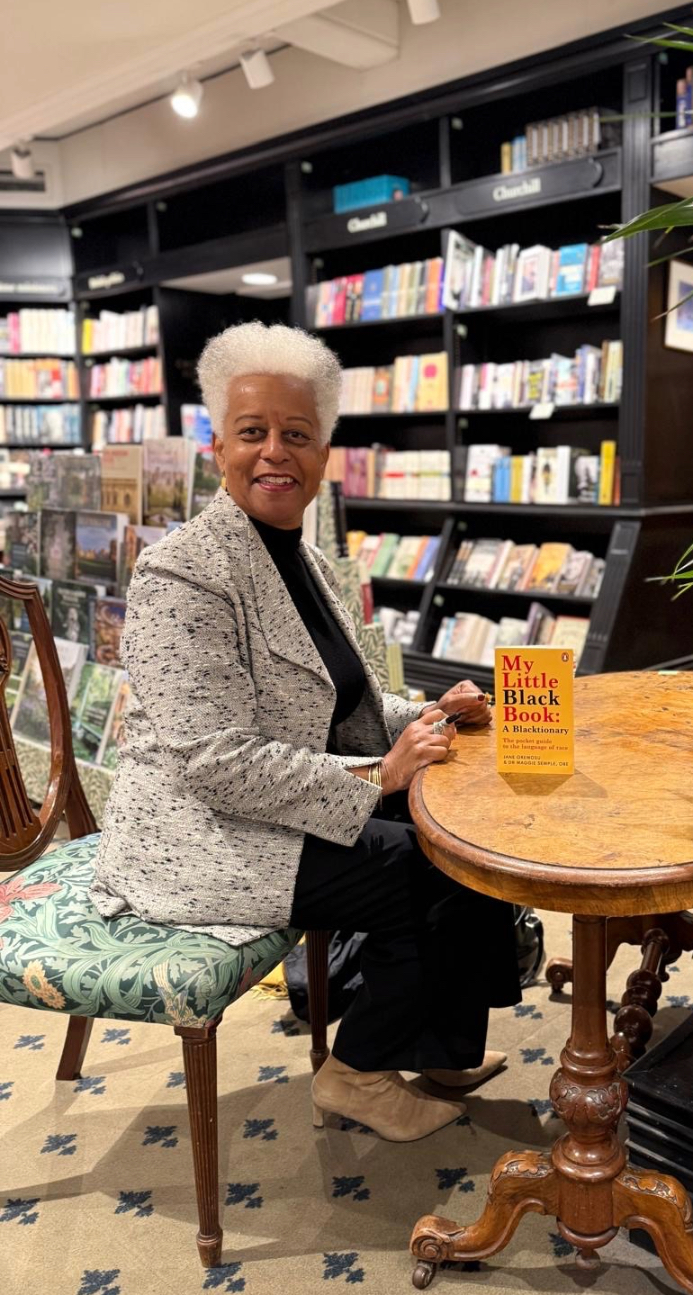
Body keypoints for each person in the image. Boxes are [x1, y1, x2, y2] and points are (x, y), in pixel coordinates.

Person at [90, 321, 521, 1141]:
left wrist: (429, 716)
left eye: (297, 434)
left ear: (326, 454)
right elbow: (214, 762)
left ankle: (441, 1044)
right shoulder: (181, 572)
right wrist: (376, 777)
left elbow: (343, 704)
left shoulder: (312, 561)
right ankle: (356, 1072)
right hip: (200, 833)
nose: (274, 453)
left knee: (467, 830)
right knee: (427, 869)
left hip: (280, 800)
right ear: (218, 446)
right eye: (252, 433)